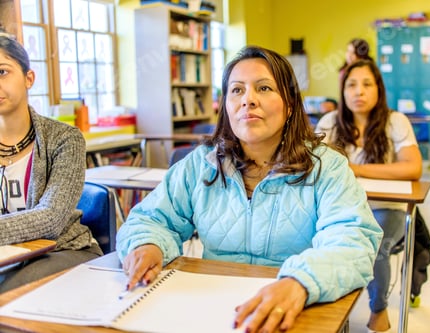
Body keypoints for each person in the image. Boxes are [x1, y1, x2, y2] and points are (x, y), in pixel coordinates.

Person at [116, 45, 383, 333]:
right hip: (214, 311)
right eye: (237, 90)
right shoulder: (202, 164)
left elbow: (353, 241)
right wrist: (147, 244)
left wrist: (300, 283)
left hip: (297, 310)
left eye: (264, 88)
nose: (248, 100)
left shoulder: (326, 167)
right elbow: (151, 219)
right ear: (226, 106)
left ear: (290, 104)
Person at [316, 59, 423, 333]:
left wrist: (357, 169)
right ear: (342, 91)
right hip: (338, 207)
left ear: (379, 89)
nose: (358, 92)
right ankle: (328, 310)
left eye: (366, 84)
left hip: (387, 207)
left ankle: (379, 308)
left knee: (374, 245)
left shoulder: (395, 121)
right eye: (351, 85)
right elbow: (314, 162)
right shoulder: (330, 122)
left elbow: (412, 167)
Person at [0, 33, 102, 293]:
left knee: (9, 292)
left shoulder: (64, 138)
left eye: (2, 72)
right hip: (9, 254)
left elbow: (50, 220)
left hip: (63, 250)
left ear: (28, 78)